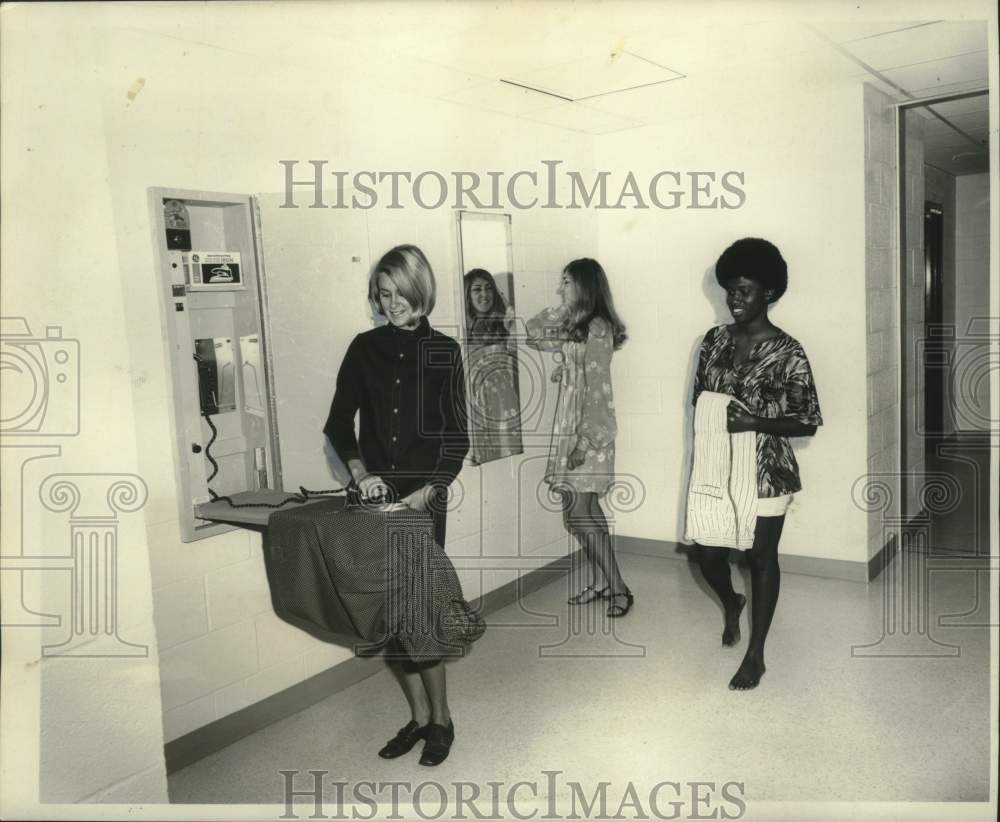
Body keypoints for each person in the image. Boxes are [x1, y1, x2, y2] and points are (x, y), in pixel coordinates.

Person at [323, 244, 470, 765]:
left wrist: (430, 490)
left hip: (424, 499)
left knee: (419, 612)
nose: (392, 304)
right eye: (383, 294)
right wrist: (360, 475)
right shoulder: (364, 347)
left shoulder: (446, 351)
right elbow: (339, 424)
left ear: (420, 290)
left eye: (400, 293)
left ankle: (443, 719)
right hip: (372, 499)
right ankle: (420, 718)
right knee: (388, 614)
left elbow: (457, 438)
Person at [691, 237, 822, 690]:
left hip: (768, 472)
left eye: (744, 290)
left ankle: (756, 654)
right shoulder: (713, 341)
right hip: (717, 467)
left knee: (761, 557)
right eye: (730, 289)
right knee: (706, 553)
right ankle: (731, 601)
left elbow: (807, 421)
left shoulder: (789, 351)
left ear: (768, 292)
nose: (734, 299)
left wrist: (754, 422)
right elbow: (700, 401)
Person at [526, 258, 632, 618]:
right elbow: (535, 330)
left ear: (585, 287)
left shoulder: (597, 328)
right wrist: (564, 309)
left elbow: (599, 392)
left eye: (567, 282)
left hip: (589, 433)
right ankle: (606, 581)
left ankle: (618, 587)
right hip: (575, 427)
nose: (561, 288)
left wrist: (583, 443)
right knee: (587, 511)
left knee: (577, 515)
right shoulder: (580, 326)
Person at [462, 269, 521, 463]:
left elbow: (517, 354)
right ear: (467, 295)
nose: (484, 294)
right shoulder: (462, 328)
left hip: (503, 403)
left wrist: (511, 327)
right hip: (474, 403)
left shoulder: (502, 324)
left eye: (488, 288)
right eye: (476, 289)